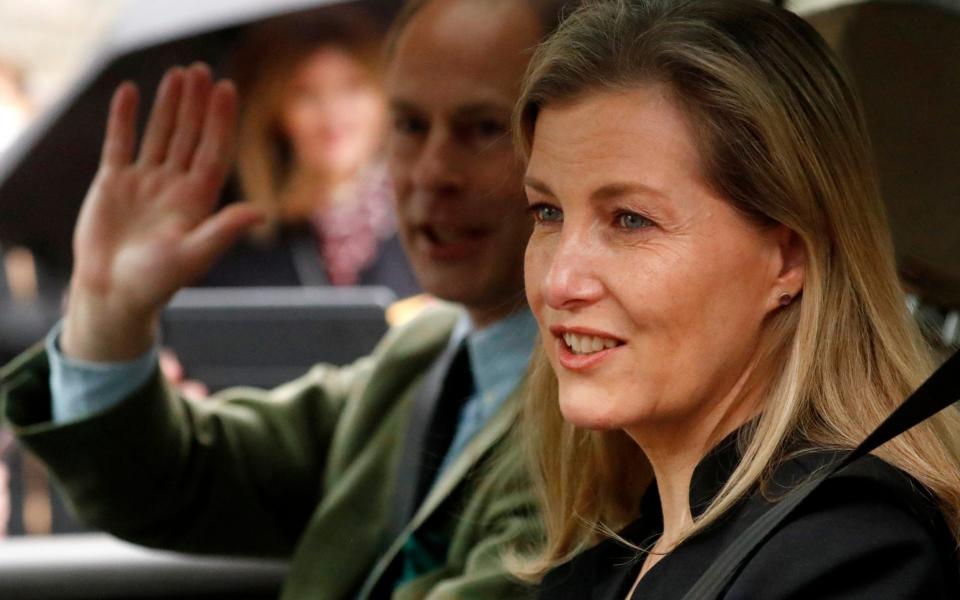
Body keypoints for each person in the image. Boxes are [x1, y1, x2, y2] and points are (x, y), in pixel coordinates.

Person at [0, 0, 576, 597]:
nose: (432, 172)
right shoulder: (423, 357)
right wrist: (108, 311)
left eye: (483, 128)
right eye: (408, 124)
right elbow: (174, 480)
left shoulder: (597, 419)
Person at [512, 0, 960, 597]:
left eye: (631, 220)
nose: (558, 282)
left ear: (788, 258)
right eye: (548, 212)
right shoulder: (612, 564)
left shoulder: (852, 560)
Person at [199, 6, 419, 296]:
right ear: (275, 113)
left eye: (352, 86)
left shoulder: (429, 221)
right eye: (305, 93)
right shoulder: (242, 243)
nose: (333, 113)